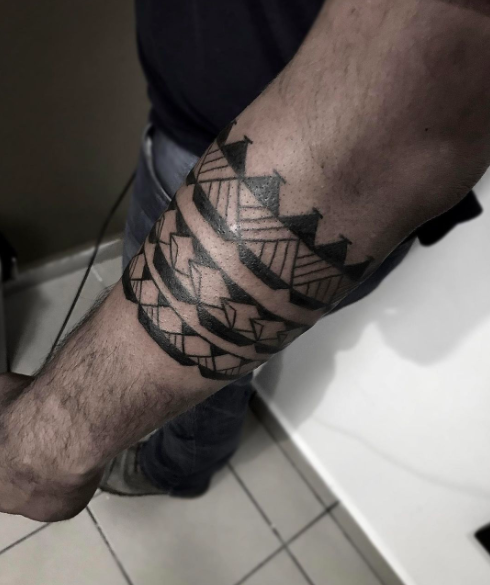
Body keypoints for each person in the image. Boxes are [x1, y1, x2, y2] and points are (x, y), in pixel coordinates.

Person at [0, 0, 489, 522]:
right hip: (199, 137)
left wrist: (51, 441)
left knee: (210, 375)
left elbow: (388, 128)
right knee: (214, 365)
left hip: (241, 185)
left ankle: (173, 470)